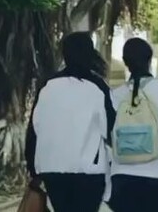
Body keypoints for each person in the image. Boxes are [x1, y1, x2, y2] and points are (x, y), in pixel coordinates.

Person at [25, 32, 115, 212]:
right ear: (91, 54)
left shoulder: (47, 86)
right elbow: (110, 130)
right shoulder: (98, 86)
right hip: (89, 171)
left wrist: (33, 170)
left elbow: (34, 130)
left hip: (53, 169)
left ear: (64, 55)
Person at [108, 38, 158, 212]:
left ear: (125, 62)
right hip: (156, 174)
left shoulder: (116, 94)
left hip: (121, 173)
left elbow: (108, 132)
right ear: (149, 60)